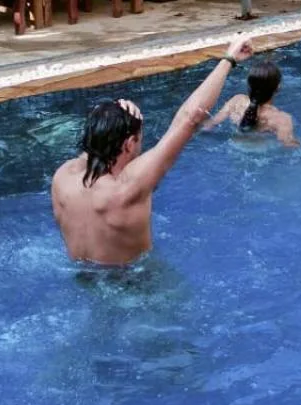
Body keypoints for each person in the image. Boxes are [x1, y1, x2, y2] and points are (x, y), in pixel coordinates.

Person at [51, 34, 253, 265]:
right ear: (129, 144)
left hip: (82, 278)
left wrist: (113, 116)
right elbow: (190, 118)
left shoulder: (63, 177)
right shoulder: (128, 189)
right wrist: (229, 59)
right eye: (139, 139)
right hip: (137, 281)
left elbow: (94, 144)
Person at [207, 55, 298, 146]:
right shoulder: (281, 119)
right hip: (260, 152)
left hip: (232, 145)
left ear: (250, 85)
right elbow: (289, 145)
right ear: (278, 87)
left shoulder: (236, 101)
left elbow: (210, 125)